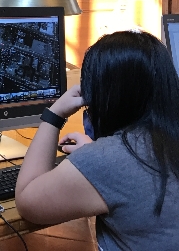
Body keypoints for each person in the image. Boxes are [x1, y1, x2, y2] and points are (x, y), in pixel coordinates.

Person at [15, 30, 179, 250]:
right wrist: (97, 153)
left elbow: (27, 201)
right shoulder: (160, 143)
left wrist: (54, 114)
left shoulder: (108, 160)